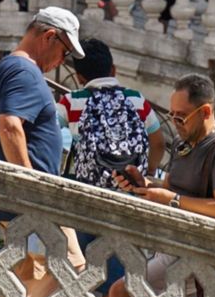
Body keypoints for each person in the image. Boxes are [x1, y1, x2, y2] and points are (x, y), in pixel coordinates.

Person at [106, 73, 215, 297]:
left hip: (195, 251)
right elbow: (170, 187)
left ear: (205, 111)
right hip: (173, 243)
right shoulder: (186, 145)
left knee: (121, 293)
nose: (176, 123)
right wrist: (144, 183)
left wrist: (174, 201)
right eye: (173, 116)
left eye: (181, 117)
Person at [0, 6, 85, 297]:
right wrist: (32, 187)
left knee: (32, 273)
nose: (62, 62)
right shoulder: (25, 72)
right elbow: (10, 127)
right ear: (50, 37)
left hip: (18, 201)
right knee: (67, 264)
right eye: (65, 52)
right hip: (30, 201)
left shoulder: (10, 68)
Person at [60, 39, 164, 189]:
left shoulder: (72, 102)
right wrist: (149, 172)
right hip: (129, 187)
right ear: (113, 70)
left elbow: (49, 129)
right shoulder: (136, 99)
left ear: (79, 77)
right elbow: (159, 144)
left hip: (88, 188)